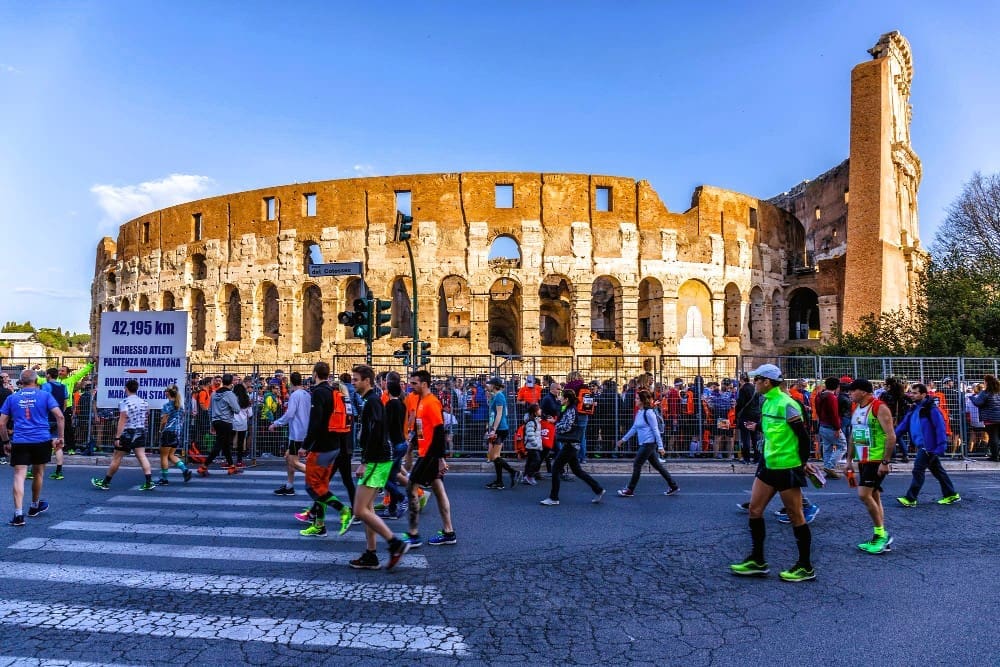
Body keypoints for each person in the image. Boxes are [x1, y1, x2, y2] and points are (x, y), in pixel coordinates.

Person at [730, 364, 818, 582]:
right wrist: (757, 427)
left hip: (787, 467)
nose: (754, 384)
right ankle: (757, 560)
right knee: (754, 510)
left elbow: (803, 437)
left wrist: (802, 462)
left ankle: (805, 567)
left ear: (767, 382)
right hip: (768, 465)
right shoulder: (768, 401)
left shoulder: (788, 404)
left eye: (757, 380)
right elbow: (773, 429)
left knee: (796, 516)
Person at [347, 364, 410, 570]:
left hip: (376, 460)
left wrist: (364, 462)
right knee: (368, 508)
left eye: (356, 379)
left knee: (359, 509)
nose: (353, 383)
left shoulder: (372, 401)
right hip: (378, 459)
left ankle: (395, 543)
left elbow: (374, 433)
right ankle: (371, 554)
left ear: (367, 380)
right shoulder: (370, 400)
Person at [1, 369, 63, 525]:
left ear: (20, 382)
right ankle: (34, 506)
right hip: (41, 440)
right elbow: (60, 416)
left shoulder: (12, 397)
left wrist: (6, 442)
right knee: (38, 473)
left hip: (20, 441)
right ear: (37, 381)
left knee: (19, 475)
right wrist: (60, 438)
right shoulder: (45, 395)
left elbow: (1, 422)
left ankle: (18, 515)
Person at [298, 361, 352, 537]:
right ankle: (319, 525)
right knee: (321, 485)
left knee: (311, 486)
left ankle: (343, 510)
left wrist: (305, 446)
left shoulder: (319, 392)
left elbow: (315, 422)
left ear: (314, 374)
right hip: (335, 446)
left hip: (322, 447)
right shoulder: (333, 391)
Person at [403, 369, 457, 548]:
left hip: (431, 454)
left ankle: (413, 534)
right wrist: (412, 447)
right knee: (439, 491)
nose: (411, 387)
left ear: (424, 384)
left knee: (411, 485)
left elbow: (439, 431)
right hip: (426, 452)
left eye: (414, 383)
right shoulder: (420, 401)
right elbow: (420, 429)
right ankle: (449, 532)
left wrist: (441, 458)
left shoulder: (431, 402)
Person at [844, 378, 897, 554]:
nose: (849, 393)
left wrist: (885, 462)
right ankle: (880, 535)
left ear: (864, 392)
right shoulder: (857, 408)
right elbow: (853, 435)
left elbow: (891, 436)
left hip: (876, 459)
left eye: (853, 390)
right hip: (863, 458)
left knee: (863, 494)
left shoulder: (879, 407)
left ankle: (881, 535)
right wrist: (849, 460)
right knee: (873, 495)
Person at [894, 383, 960, 507]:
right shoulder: (914, 408)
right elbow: (904, 425)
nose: (911, 395)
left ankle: (910, 498)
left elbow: (940, 428)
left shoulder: (931, 409)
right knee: (938, 471)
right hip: (924, 445)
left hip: (928, 446)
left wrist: (941, 446)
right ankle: (951, 494)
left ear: (923, 394)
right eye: (911, 392)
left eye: (915, 393)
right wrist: (892, 437)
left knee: (918, 470)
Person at [540, 388, 605, 506]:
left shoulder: (571, 410)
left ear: (567, 399)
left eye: (562, 396)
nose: (559, 398)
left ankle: (553, 498)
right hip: (571, 444)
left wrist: (555, 425)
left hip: (570, 445)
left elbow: (567, 426)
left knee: (556, 468)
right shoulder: (569, 408)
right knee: (577, 471)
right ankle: (598, 489)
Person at [91, 378, 156, 491]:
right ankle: (149, 481)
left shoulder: (124, 402)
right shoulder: (144, 402)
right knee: (142, 456)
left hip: (128, 432)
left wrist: (117, 436)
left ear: (126, 389)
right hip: (140, 431)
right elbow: (146, 417)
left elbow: (122, 420)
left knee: (117, 457)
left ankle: (106, 482)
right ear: (137, 389)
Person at [615, 389, 679, 497]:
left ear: (642, 400)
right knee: (658, 466)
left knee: (637, 464)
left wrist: (660, 447)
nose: (635, 400)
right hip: (645, 443)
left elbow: (656, 430)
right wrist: (623, 439)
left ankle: (630, 489)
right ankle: (673, 486)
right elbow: (634, 428)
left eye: (637, 399)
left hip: (648, 444)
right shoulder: (640, 412)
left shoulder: (649, 413)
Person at [269, 371, 311, 495]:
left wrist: (276, 423)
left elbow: (290, 414)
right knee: (288, 458)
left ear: (291, 382)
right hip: (304, 431)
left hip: (297, 433)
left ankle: (316, 475)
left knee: (293, 461)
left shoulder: (295, 395)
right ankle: (289, 486)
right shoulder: (307, 394)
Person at [197, 373, 241, 476]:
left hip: (216, 421)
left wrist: (212, 423)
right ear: (231, 383)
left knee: (225, 445)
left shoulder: (214, 393)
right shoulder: (230, 394)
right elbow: (237, 409)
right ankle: (204, 466)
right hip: (226, 422)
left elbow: (210, 410)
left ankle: (231, 466)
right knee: (219, 445)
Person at [485, 377, 520, 490]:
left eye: (489, 384)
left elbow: (499, 414)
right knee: (494, 457)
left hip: (501, 429)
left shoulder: (499, 396)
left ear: (494, 385)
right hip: (497, 428)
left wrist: (494, 429)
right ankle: (499, 481)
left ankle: (513, 472)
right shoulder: (495, 396)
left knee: (494, 456)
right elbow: (493, 414)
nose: (488, 386)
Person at [156, 384, 192, 485]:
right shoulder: (179, 406)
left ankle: (164, 479)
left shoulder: (167, 406)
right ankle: (184, 470)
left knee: (163, 456)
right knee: (171, 455)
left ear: (168, 393)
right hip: (177, 432)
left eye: (165, 391)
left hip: (168, 432)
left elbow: (164, 420)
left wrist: (160, 430)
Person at [56, 360, 94, 456]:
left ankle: (71, 448)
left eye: (62, 371)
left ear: (67, 373)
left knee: (68, 429)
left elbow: (82, 372)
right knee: (55, 428)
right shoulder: (54, 381)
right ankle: (57, 447)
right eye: (59, 371)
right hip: (55, 408)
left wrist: (91, 363)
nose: (60, 372)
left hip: (66, 408)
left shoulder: (71, 379)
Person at [814, 377, 847, 479]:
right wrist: (837, 428)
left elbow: (818, 411)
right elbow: (834, 414)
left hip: (822, 425)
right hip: (831, 426)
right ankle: (830, 466)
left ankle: (827, 467)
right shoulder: (832, 397)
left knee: (827, 447)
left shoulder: (819, 396)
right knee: (842, 446)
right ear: (837, 387)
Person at [41, 368, 69, 480]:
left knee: (41, 444)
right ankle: (58, 471)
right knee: (58, 446)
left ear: (48, 375)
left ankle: (34, 471)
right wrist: (60, 414)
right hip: (58, 418)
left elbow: (42, 402)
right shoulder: (63, 387)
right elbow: (66, 403)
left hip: (46, 419)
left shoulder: (46, 386)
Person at [970, 374, 1000, 461]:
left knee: (993, 437)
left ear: (987, 382)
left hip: (990, 419)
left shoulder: (985, 392)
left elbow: (978, 403)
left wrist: (972, 398)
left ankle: (995, 456)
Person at [521, 403, 544, 485]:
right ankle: (529, 476)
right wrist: (536, 444)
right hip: (532, 446)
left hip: (532, 446)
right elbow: (530, 435)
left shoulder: (536, 421)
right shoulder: (531, 422)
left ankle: (525, 476)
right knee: (537, 460)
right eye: (539, 409)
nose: (540, 410)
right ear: (535, 412)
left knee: (530, 462)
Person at [232, 382, 253, 468]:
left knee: (229, 441)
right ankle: (239, 461)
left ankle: (228, 461)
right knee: (240, 442)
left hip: (232, 422)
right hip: (243, 423)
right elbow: (250, 414)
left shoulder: (232, 398)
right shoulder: (246, 399)